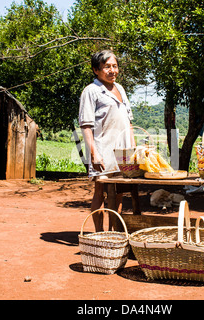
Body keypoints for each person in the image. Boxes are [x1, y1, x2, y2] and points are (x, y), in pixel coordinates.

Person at [79, 50, 135, 231]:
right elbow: (86, 125)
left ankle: (114, 231)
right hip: (102, 150)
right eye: (107, 67)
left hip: (122, 153)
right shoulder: (91, 91)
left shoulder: (120, 89)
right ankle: (99, 233)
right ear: (96, 70)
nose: (112, 71)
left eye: (115, 66)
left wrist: (132, 149)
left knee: (118, 193)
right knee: (100, 191)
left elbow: (129, 121)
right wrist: (94, 154)